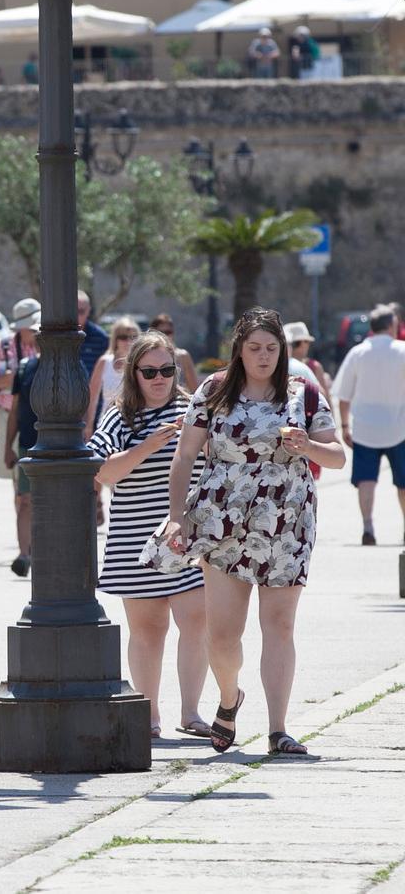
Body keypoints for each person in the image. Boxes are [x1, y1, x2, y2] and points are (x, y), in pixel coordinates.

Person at [154, 308, 345, 757]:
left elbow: (337, 455)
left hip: (288, 518)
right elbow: (184, 456)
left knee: (279, 623)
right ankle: (228, 699)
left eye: (272, 349)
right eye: (255, 348)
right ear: (239, 349)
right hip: (222, 517)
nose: (263, 357)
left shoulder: (304, 392)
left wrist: (309, 446)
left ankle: (280, 729)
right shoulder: (214, 390)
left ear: (282, 350)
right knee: (222, 634)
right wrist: (177, 515)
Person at [88, 331, 210, 739]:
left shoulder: (193, 409)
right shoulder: (120, 414)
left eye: (166, 370)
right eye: (149, 371)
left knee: (196, 619)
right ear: (133, 374)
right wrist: (149, 445)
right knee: (148, 629)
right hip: (134, 539)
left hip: (186, 536)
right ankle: (149, 715)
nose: (159, 378)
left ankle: (191, 712)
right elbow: (103, 471)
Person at [332, 305, 405, 546]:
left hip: (365, 428)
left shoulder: (358, 353)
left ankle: (368, 527)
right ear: (392, 325)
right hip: (399, 427)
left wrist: (344, 426)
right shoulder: (402, 351)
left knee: (366, 481)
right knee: (403, 482)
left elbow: (343, 395)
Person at [0, 298, 40, 577]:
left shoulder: (46, 350)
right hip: (12, 417)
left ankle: (32, 548)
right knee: (21, 491)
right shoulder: (1, 347)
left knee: (33, 493)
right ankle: (25, 549)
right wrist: (9, 380)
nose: (34, 333)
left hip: (32, 423)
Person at [2, 343, 41, 580]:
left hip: (59, 446)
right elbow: (15, 409)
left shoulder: (69, 365)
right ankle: (24, 554)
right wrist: (8, 445)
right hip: (27, 443)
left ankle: (45, 552)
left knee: (53, 505)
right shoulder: (26, 367)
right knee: (25, 500)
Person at [84, 317, 141, 434]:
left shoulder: (142, 363)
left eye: (133, 337)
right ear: (115, 339)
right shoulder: (104, 362)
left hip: (136, 427)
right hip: (107, 426)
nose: (128, 341)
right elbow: (92, 398)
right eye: (123, 337)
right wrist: (88, 427)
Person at [147, 313, 199, 392]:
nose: (165, 336)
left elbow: (194, 389)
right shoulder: (146, 356)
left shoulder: (182, 356)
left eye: (168, 332)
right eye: (161, 332)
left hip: (178, 401)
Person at [284, 322, 331, 402]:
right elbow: (323, 397)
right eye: (307, 341)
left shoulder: (276, 367)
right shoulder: (312, 366)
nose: (308, 345)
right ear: (302, 343)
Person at [77, 292, 110, 380]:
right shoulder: (61, 336)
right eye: (74, 311)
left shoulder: (101, 338)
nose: (77, 315)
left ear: (88, 311)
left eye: (81, 311)